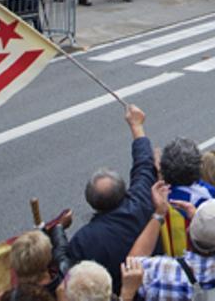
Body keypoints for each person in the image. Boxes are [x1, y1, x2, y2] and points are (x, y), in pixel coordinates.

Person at [66, 106, 155, 294]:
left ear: (91, 202)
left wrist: (56, 232)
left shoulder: (84, 240)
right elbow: (145, 164)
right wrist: (136, 125)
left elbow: (67, 274)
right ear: (123, 191)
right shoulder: (142, 202)